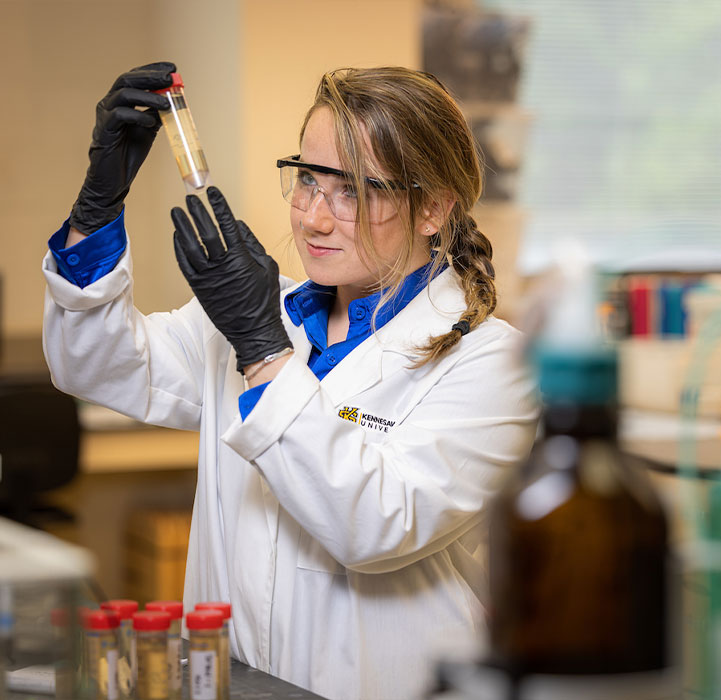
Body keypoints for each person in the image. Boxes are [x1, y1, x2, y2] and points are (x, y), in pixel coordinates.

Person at [42, 62, 539, 699]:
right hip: (234, 682)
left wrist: (262, 350)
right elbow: (94, 364)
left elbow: (377, 525)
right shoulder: (258, 315)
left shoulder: (491, 365)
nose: (312, 218)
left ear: (434, 208)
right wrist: (97, 208)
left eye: (354, 190)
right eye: (307, 180)